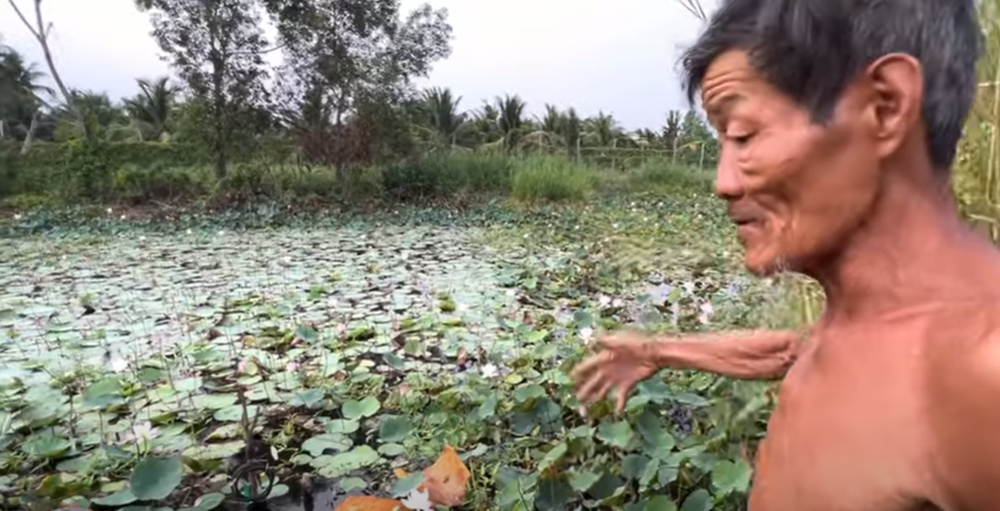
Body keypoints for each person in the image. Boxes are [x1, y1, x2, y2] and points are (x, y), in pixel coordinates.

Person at [569, 0, 1000, 509]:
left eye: (744, 135)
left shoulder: (979, 374)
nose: (723, 183)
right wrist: (657, 350)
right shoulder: (872, 320)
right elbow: (788, 350)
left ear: (885, 106)